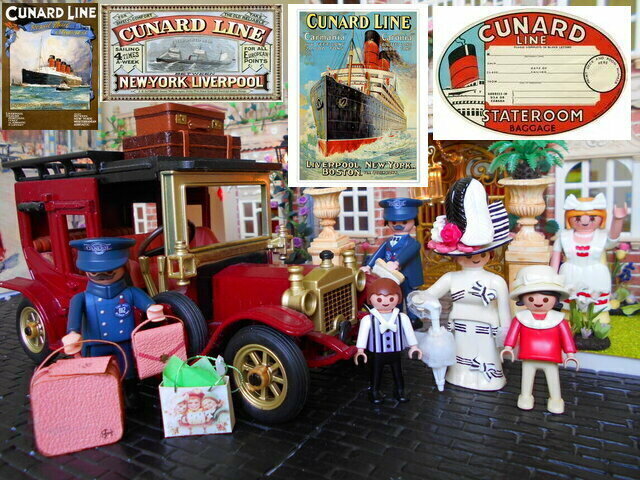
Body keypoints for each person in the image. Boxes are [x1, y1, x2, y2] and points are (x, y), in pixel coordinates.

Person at [425, 177, 512, 391]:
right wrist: (421, 300)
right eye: (468, 254)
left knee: (486, 355)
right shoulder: (451, 278)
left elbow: (504, 311)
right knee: (461, 358)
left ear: (490, 255)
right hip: (460, 328)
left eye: (481, 253)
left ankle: (489, 377)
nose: (474, 258)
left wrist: (506, 338)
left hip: (487, 329)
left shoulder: (496, 281)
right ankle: (460, 375)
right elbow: (429, 294)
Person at [61, 237, 163, 403]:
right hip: (96, 343)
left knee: (128, 370)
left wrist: (151, 308)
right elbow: (74, 319)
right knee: (96, 372)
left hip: (124, 342)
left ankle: (131, 395)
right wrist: (73, 333)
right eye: (94, 272)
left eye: (109, 271)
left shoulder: (129, 292)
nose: (102, 275)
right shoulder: (81, 298)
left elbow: (145, 302)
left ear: (123, 267)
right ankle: (102, 400)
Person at [501, 265, 579, 414]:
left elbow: (566, 337)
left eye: (545, 298)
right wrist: (508, 347)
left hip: (551, 356)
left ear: (555, 299)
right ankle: (525, 396)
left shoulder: (559, 319)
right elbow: (513, 333)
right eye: (531, 298)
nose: (538, 302)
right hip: (528, 354)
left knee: (553, 379)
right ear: (522, 299)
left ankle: (555, 399)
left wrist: (570, 353)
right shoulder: (521, 318)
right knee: (526, 378)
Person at [550, 194, 628, 323]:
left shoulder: (601, 236)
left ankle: (597, 321)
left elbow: (613, 240)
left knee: (596, 304)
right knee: (570, 305)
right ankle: (570, 321)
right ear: (569, 218)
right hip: (570, 274)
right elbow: (555, 261)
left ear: (601, 218)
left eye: (592, 218)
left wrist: (618, 219)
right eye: (578, 218)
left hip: (595, 275)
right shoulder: (563, 237)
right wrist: (552, 279)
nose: (585, 221)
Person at [354, 277, 422, 404]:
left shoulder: (402, 317)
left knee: (398, 372)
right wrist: (360, 350)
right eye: (379, 299)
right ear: (370, 299)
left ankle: (400, 390)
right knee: (376, 373)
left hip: (395, 352)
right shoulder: (368, 319)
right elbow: (363, 335)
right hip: (377, 353)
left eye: (391, 299)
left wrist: (414, 346)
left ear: (398, 298)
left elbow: (409, 332)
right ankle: (374, 392)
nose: (385, 302)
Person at [361, 197, 425, 328]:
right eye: (394, 222)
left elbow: (407, 253)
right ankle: (396, 316)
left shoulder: (413, 243)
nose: (398, 225)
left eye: (404, 221)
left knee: (410, 297)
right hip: (392, 276)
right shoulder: (388, 242)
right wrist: (368, 265)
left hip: (408, 277)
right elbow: (379, 253)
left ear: (414, 221)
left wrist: (396, 263)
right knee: (394, 295)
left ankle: (413, 319)